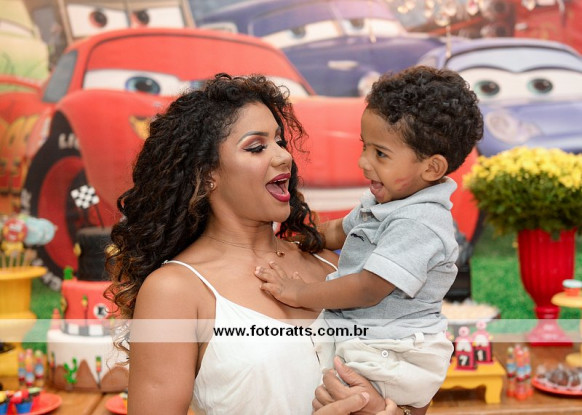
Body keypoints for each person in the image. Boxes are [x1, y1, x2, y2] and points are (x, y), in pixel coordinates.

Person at [106, 73, 410, 414]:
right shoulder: (174, 291)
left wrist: (387, 410)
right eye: (256, 147)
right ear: (206, 174)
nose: (283, 157)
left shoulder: (333, 265)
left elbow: (411, 385)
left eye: (280, 142)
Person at [255, 66, 484, 411]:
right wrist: (295, 239)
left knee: (320, 391)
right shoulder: (387, 199)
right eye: (365, 147)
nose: (363, 162)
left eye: (380, 154)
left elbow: (367, 289)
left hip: (394, 351)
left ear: (431, 168)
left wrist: (299, 292)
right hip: (371, 337)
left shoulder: (420, 222)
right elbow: (339, 231)